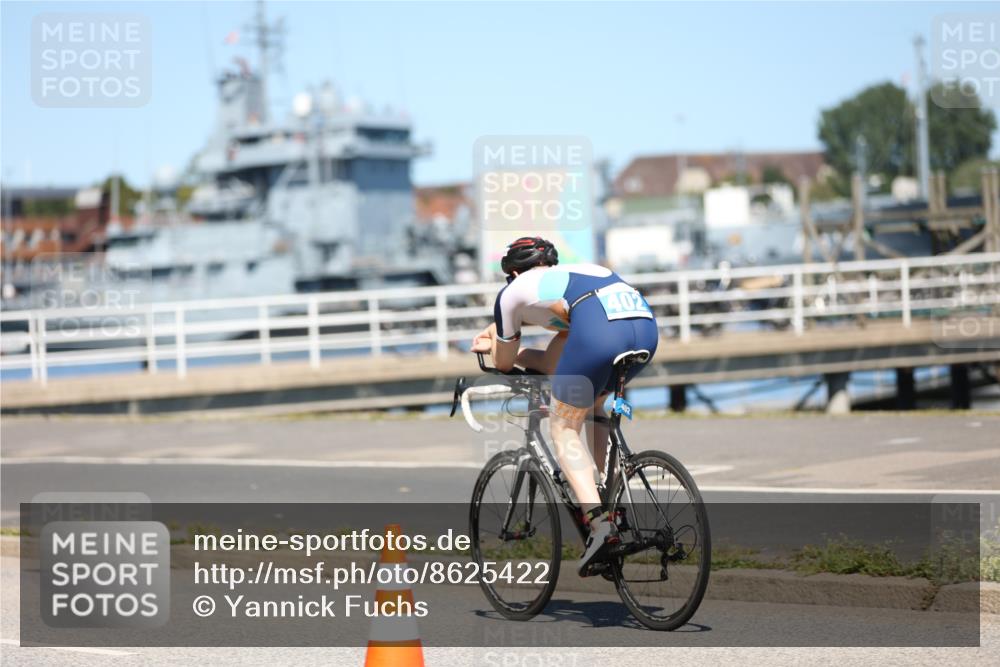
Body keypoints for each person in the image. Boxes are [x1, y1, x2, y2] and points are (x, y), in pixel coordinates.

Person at [470, 236, 659, 575]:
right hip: (643, 329)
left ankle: (601, 527)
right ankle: (605, 490)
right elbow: (556, 363)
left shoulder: (512, 292)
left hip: (598, 334)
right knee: (595, 406)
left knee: (563, 428)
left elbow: (504, 362)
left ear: (512, 273)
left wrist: (489, 343)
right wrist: (525, 353)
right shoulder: (578, 277)